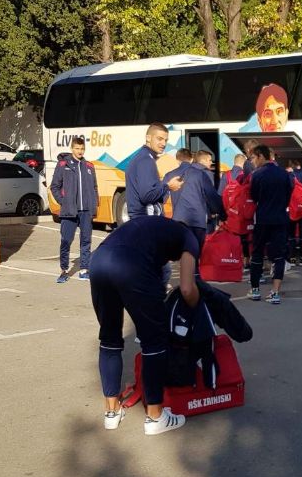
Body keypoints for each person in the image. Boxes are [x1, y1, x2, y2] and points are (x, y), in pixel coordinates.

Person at [88, 215, 199, 435]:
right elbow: (187, 288)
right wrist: (195, 305)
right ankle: (155, 417)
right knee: (154, 341)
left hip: (98, 260)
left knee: (109, 338)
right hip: (130, 265)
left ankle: (111, 412)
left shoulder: (156, 227)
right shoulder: (190, 238)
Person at [248, 144, 294, 304]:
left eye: (253, 158)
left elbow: (253, 196)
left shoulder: (257, 175)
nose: (252, 161)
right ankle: (275, 292)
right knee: (279, 256)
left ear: (261, 156)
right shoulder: (284, 174)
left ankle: (255, 291)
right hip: (281, 218)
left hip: (262, 218)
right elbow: (289, 193)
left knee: (258, 253)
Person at [50, 136, 98, 283]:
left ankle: (84, 269)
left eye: (82, 149)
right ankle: (64, 271)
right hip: (69, 211)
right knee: (66, 240)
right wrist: (63, 202)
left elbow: (95, 188)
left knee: (86, 241)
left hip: (85, 212)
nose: (80, 151)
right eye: (77, 148)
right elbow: (54, 186)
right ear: (72, 149)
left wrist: (93, 205)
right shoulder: (63, 165)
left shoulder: (89, 166)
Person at [167, 149, 224, 254]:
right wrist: (222, 214)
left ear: (177, 160)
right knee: (198, 254)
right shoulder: (201, 174)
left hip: (178, 220)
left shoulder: (169, 175)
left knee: (184, 254)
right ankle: (196, 270)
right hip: (197, 221)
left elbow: (161, 198)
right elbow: (211, 196)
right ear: (192, 159)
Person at [125, 123, 183, 219]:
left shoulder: (142, 157)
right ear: (148, 138)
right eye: (159, 139)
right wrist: (168, 186)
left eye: (166, 140)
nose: (164, 144)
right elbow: (147, 196)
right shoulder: (146, 160)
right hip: (146, 220)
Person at [287, 159, 302, 265]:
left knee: (291, 234)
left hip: (292, 207)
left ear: (291, 166)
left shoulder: (289, 174)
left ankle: (291, 257)